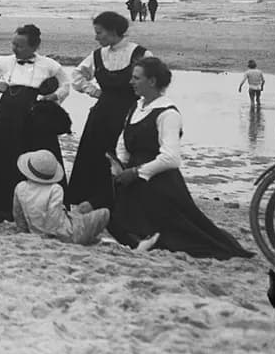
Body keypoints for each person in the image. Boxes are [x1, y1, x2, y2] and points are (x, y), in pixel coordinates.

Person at [108, 57, 253, 259]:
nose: (131, 82)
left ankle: (148, 240)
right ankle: (142, 240)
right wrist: (121, 164)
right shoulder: (137, 106)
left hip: (160, 182)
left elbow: (171, 158)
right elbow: (124, 140)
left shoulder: (168, 114)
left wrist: (136, 172)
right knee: (112, 213)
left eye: (136, 78)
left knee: (185, 235)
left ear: (152, 81)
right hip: (132, 177)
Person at [0, 24, 71, 214]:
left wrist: (53, 97)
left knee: (37, 154)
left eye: (20, 46)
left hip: (36, 117)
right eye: (13, 44)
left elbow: (65, 85)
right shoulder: (5, 61)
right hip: (7, 115)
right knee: (0, 154)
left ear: (34, 47)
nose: (15, 49)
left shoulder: (50, 65)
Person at [66, 11, 151, 211]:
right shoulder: (97, 55)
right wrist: (94, 91)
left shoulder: (140, 54)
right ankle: (90, 200)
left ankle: (120, 200)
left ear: (113, 31)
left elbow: (153, 81)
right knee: (93, 156)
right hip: (101, 115)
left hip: (130, 114)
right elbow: (77, 76)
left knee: (122, 157)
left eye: (99, 33)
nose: (96, 38)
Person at [13, 150, 109, 245]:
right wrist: (49, 237)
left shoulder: (20, 187)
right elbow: (53, 216)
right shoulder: (55, 189)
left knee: (78, 212)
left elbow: (19, 215)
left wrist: (25, 232)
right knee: (104, 213)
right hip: (65, 234)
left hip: (36, 230)